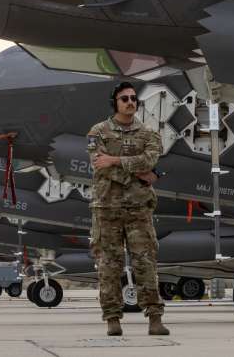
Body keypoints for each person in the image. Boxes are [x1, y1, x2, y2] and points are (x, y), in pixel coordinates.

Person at [87, 81, 169, 336]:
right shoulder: (98, 132)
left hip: (139, 209)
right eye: (125, 98)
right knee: (109, 265)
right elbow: (99, 164)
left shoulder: (148, 134)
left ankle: (154, 317)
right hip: (107, 209)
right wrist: (138, 174)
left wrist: (116, 160)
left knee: (145, 262)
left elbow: (151, 159)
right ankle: (112, 318)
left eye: (134, 98)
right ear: (116, 103)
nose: (131, 102)